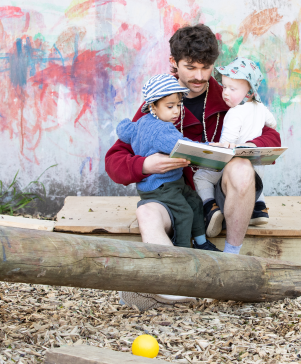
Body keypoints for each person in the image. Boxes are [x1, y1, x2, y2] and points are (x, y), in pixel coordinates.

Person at [105, 23, 281, 307]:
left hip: (222, 190)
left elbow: (270, 134)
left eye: (206, 67)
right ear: (173, 63)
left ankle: (230, 263)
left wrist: (246, 148)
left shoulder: (229, 96)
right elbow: (115, 159)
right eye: (190, 67)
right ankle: (174, 286)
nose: (199, 76)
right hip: (177, 195)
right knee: (146, 213)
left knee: (241, 168)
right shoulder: (159, 101)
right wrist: (146, 164)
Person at [116, 74, 221, 252]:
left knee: (195, 202)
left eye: (179, 105)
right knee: (185, 213)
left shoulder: (140, 122)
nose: (176, 111)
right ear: (152, 107)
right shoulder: (162, 130)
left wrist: (122, 123)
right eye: (170, 106)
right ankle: (183, 250)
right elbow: (185, 147)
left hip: (161, 184)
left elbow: (124, 130)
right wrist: (209, 147)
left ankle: (202, 243)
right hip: (163, 186)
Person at [193, 58, 276, 237]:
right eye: (224, 87)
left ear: (249, 92)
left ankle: (211, 207)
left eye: (232, 89)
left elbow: (226, 144)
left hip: (234, 167)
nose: (225, 93)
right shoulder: (261, 108)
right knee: (251, 177)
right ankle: (259, 209)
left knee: (201, 176)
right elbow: (273, 123)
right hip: (257, 169)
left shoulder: (234, 113)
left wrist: (217, 147)